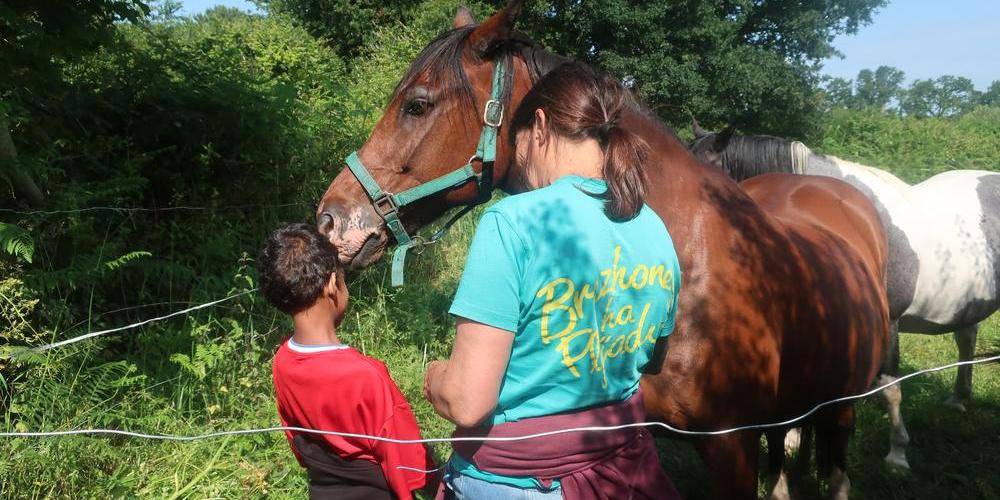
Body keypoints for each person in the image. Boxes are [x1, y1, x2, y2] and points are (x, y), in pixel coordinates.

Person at [423, 61, 683, 499]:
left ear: (539, 126)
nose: (522, 172)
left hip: (516, 484)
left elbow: (468, 402)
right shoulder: (653, 225)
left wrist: (435, 379)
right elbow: (652, 358)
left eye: (520, 147)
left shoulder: (511, 221)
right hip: (623, 472)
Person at [258, 223, 435, 500]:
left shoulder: (282, 361)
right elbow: (407, 461)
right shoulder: (365, 375)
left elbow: (295, 436)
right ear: (331, 284)